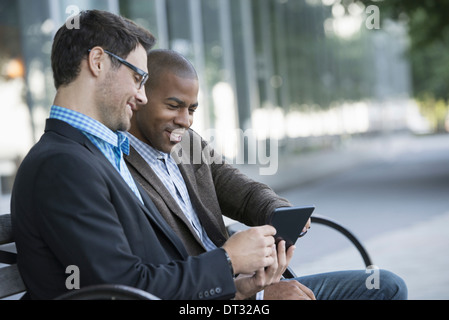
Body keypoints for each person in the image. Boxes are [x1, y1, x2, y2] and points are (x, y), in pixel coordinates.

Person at [10, 10, 279, 300]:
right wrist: (228, 261)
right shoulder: (62, 165)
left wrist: (240, 292)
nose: (142, 96)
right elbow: (125, 290)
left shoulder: (101, 153)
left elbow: (153, 271)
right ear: (97, 62)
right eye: (138, 77)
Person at [125, 49, 408, 300]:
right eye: (174, 106)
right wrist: (257, 294)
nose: (185, 120)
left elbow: (242, 191)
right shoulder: (118, 168)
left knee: (386, 286)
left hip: (251, 281)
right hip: (217, 292)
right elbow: (158, 277)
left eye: (192, 109)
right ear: (139, 98)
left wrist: (278, 212)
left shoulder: (187, 142)